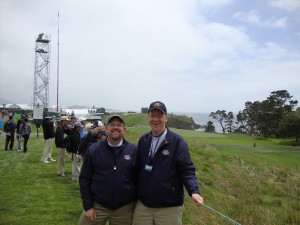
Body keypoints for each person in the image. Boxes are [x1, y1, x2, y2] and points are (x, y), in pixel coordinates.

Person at [134, 101, 204, 225]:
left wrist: (193, 191)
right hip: (144, 205)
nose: (156, 119)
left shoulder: (177, 141)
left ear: (166, 118)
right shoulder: (143, 140)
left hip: (169, 207)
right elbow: (137, 169)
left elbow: (187, 170)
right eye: (152, 115)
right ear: (148, 118)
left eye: (159, 116)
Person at [78, 115, 138, 225]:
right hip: (98, 205)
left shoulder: (134, 151)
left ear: (124, 129)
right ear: (106, 129)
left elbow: (138, 179)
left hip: (124, 208)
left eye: (119, 125)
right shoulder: (94, 150)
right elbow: (84, 179)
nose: (116, 127)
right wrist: (88, 206)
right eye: (112, 125)